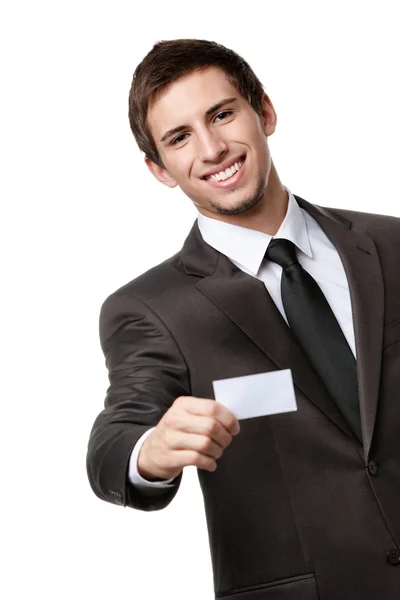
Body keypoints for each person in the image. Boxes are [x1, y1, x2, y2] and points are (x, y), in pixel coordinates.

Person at [86, 39, 400, 599]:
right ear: (160, 170)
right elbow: (115, 444)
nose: (211, 149)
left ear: (265, 112)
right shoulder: (152, 309)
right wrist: (149, 452)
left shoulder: (394, 245)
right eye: (179, 138)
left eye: (222, 114)